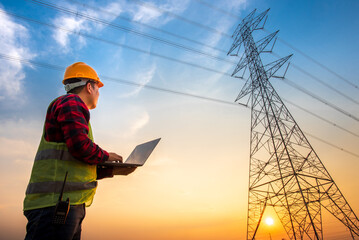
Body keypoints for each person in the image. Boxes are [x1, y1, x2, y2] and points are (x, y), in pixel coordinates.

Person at [23, 62, 136, 240]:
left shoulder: (70, 106)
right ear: (89, 87)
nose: (99, 93)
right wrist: (107, 155)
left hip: (65, 204)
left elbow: (76, 162)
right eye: (98, 88)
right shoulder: (71, 102)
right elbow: (80, 146)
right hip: (55, 205)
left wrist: (112, 170)